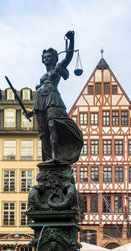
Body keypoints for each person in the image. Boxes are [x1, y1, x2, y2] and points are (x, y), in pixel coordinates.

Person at [25, 31, 83, 164]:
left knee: (52, 125)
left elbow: (69, 56)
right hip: (40, 103)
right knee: (43, 132)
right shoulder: (42, 78)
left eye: (49, 56)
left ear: (55, 58)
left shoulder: (57, 69)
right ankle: (48, 158)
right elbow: (39, 99)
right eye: (44, 57)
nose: (46, 58)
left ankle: (55, 155)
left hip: (53, 101)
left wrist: (72, 39)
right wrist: (31, 112)